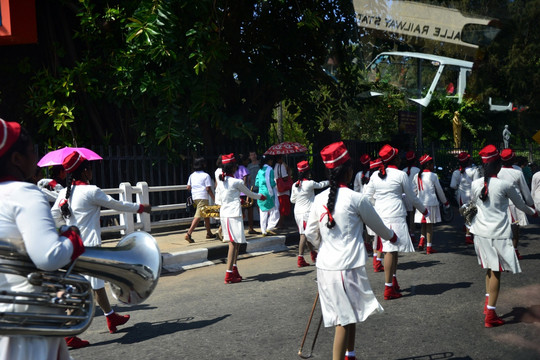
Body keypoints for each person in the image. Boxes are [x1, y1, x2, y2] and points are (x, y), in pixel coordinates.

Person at [0, 118, 87, 358]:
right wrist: (72, 237)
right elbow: (48, 257)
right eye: (31, 152)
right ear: (17, 159)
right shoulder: (24, 193)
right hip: (29, 319)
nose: (35, 158)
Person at [304, 141, 397, 360]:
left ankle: (350, 354)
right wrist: (393, 236)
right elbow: (379, 227)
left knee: (351, 312)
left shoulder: (318, 199)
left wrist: (322, 250)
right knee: (344, 319)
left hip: (327, 267)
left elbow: (309, 233)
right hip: (347, 268)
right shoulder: (357, 199)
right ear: (348, 171)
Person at [51, 151, 151, 334]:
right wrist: (141, 207)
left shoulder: (65, 194)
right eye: (89, 168)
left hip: (73, 247)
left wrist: (65, 230)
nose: (91, 171)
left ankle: (110, 317)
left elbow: (53, 215)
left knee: (91, 284)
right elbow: (117, 205)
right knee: (85, 287)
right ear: (83, 172)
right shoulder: (91, 191)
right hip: (90, 246)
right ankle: (68, 332)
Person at [469, 145, 537, 328]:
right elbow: (521, 205)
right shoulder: (505, 185)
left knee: (489, 269)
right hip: (498, 233)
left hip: (480, 233)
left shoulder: (475, 184)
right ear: (498, 165)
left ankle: (487, 304)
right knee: (496, 272)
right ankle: (490, 314)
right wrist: (534, 212)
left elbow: (472, 204)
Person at [364, 144, 428, 300]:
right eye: (399, 157)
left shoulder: (374, 175)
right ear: (396, 159)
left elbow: (367, 197)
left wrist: (375, 209)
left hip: (381, 216)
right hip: (396, 216)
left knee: (393, 250)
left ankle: (393, 280)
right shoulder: (400, 175)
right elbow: (412, 197)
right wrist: (424, 210)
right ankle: (388, 288)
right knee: (390, 250)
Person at [216, 154, 265, 284]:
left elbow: (219, 198)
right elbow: (249, 193)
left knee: (236, 243)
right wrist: (260, 196)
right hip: (232, 215)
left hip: (227, 214)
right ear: (233, 168)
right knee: (233, 244)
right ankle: (228, 274)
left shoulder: (222, 181)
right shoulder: (236, 182)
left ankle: (234, 269)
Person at [290, 160, 328, 267]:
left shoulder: (295, 185)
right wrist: (332, 181)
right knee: (304, 235)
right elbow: (321, 185)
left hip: (297, 212)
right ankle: (300, 258)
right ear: (307, 172)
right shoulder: (310, 184)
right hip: (306, 213)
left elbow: (292, 200)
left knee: (306, 233)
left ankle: (312, 254)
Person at [497, 149, 534, 259]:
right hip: (515, 204)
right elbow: (525, 190)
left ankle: (505, 251)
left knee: (502, 229)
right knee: (515, 229)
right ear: (513, 159)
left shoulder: (497, 170)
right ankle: (514, 250)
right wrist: (531, 206)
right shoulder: (518, 171)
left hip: (500, 203)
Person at [412, 154, 449, 254]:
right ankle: (429, 247)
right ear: (428, 165)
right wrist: (445, 202)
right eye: (432, 164)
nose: (433, 165)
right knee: (429, 225)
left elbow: (414, 191)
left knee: (424, 224)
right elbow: (439, 190)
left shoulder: (417, 176)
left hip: (420, 203)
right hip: (431, 203)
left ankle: (421, 240)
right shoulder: (433, 176)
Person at [450, 152, 480, 244]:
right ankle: (468, 235)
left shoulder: (456, 172)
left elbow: (453, 185)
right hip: (471, 195)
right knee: (471, 215)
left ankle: (467, 228)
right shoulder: (474, 171)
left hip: (460, 196)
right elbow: (477, 184)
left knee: (465, 213)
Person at [185, 157, 216, 243]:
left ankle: (209, 232)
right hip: (203, 196)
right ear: (203, 165)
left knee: (206, 214)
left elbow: (188, 187)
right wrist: (214, 198)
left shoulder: (192, 175)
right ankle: (189, 233)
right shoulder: (206, 175)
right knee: (198, 215)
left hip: (195, 197)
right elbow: (208, 189)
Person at [255, 155, 280, 236]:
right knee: (275, 209)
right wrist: (272, 190)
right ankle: (269, 227)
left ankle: (263, 231)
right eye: (271, 160)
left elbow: (257, 183)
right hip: (270, 192)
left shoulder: (259, 170)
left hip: (260, 192)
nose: (272, 162)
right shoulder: (270, 169)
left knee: (263, 211)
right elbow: (271, 183)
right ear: (268, 161)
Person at [234, 153, 257, 234]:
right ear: (244, 161)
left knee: (240, 212)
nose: (248, 161)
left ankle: (239, 229)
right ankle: (250, 228)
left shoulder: (235, 169)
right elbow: (245, 181)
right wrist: (247, 192)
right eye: (247, 160)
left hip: (237, 193)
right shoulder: (244, 169)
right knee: (249, 211)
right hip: (245, 193)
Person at [402, 151, 420, 242]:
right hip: (413, 195)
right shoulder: (417, 170)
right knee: (412, 215)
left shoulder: (403, 171)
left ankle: (405, 233)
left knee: (405, 216)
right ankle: (412, 234)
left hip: (403, 195)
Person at [274, 154, 292, 228]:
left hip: (277, 188)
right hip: (283, 190)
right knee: (283, 207)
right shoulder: (281, 166)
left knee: (279, 207)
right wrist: (289, 171)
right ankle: (280, 224)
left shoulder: (275, 167)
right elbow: (285, 177)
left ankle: (279, 223)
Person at [246, 151, 261, 234]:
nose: (253, 156)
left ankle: (263, 224)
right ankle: (250, 227)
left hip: (259, 188)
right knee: (250, 208)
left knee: (260, 206)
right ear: (249, 157)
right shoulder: (249, 166)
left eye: (254, 154)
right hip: (252, 188)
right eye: (251, 155)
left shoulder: (260, 164)